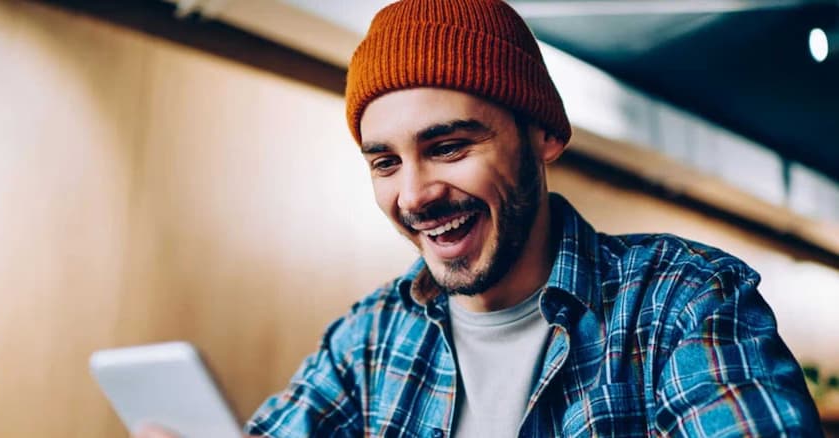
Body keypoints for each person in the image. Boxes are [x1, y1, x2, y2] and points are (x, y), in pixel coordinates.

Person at [138, 0, 822, 436]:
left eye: (448, 147)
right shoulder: (370, 339)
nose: (415, 195)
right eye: (385, 162)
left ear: (543, 137)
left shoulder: (682, 301)